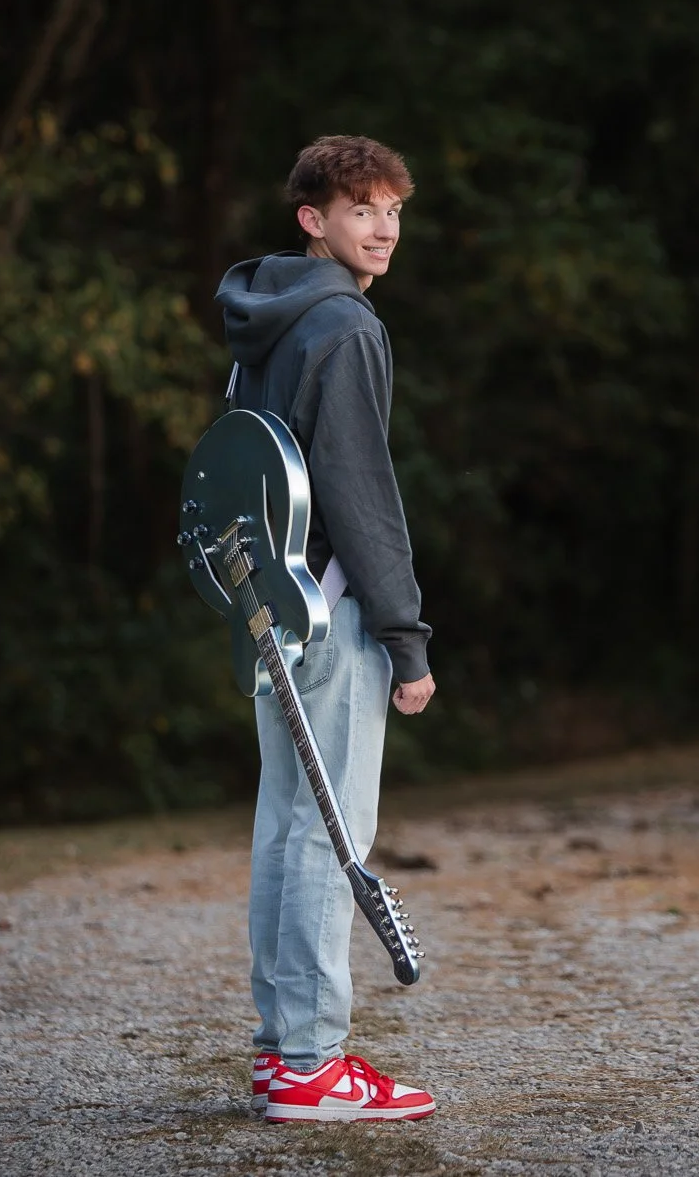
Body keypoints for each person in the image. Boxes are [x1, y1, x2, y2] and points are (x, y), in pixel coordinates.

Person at [215, 135, 438, 1123]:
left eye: (392, 209)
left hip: (270, 608)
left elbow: (233, 463)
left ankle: (280, 1052)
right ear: (313, 219)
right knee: (325, 833)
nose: (383, 229)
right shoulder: (342, 327)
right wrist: (405, 635)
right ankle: (309, 1065)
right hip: (334, 607)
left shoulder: (264, 318)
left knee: (285, 828)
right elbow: (358, 492)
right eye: (361, 210)